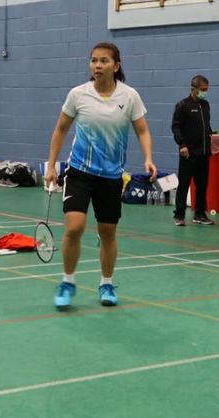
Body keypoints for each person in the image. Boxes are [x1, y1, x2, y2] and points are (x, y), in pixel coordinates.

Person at [45, 42, 157, 309]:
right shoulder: (78, 95)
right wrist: (51, 165)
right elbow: (60, 129)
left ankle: (106, 283)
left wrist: (148, 157)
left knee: (108, 233)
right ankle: (67, 281)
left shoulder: (129, 97)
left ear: (116, 66)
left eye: (104, 61)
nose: (97, 65)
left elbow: (142, 130)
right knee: (74, 228)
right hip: (80, 172)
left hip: (111, 176)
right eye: (94, 60)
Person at [171, 75, 215, 226]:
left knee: (202, 184)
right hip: (188, 152)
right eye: (203, 90)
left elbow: (206, 125)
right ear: (193, 89)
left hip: (204, 152)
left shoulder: (206, 105)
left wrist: (211, 134)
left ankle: (200, 214)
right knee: (184, 184)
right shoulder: (182, 105)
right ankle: (179, 215)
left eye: (206, 90)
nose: (205, 92)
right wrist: (182, 145)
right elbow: (175, 126)